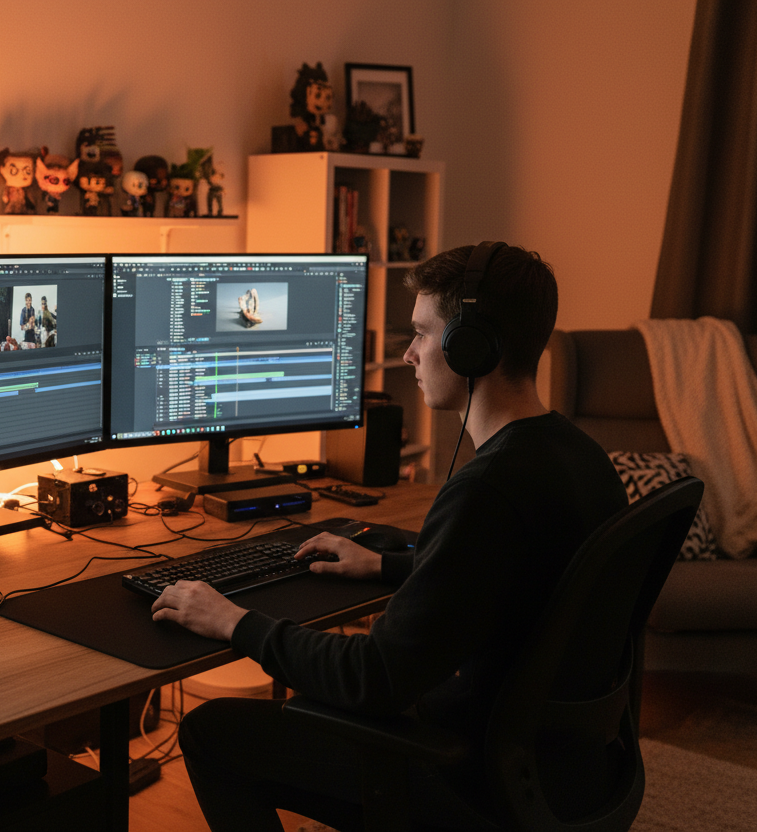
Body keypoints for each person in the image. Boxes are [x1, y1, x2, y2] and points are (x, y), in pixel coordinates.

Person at [153, 243, 629, 831]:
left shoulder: (487, 490)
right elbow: (517, 580)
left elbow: (373, 678)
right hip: (564, 767)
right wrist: (388, 567)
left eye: (423, 335)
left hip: (473, 779)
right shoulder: (579, 457)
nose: (408, 354)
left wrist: (233, 620)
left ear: (472, 346)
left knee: (211, 730)